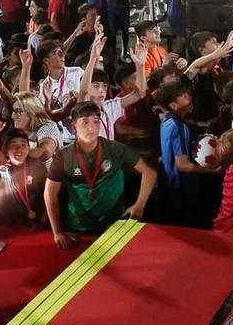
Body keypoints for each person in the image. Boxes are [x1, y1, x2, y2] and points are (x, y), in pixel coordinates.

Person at [44, 101, 156, 246]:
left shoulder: (115, 149)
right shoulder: (63, 156)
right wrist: (57, 232)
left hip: (115, 226)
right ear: (73, 127)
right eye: (85, 122)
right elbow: (49, 194)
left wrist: (139, 205)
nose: (91, 127)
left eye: (96, 122)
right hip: (77, 229)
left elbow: (149, 172)